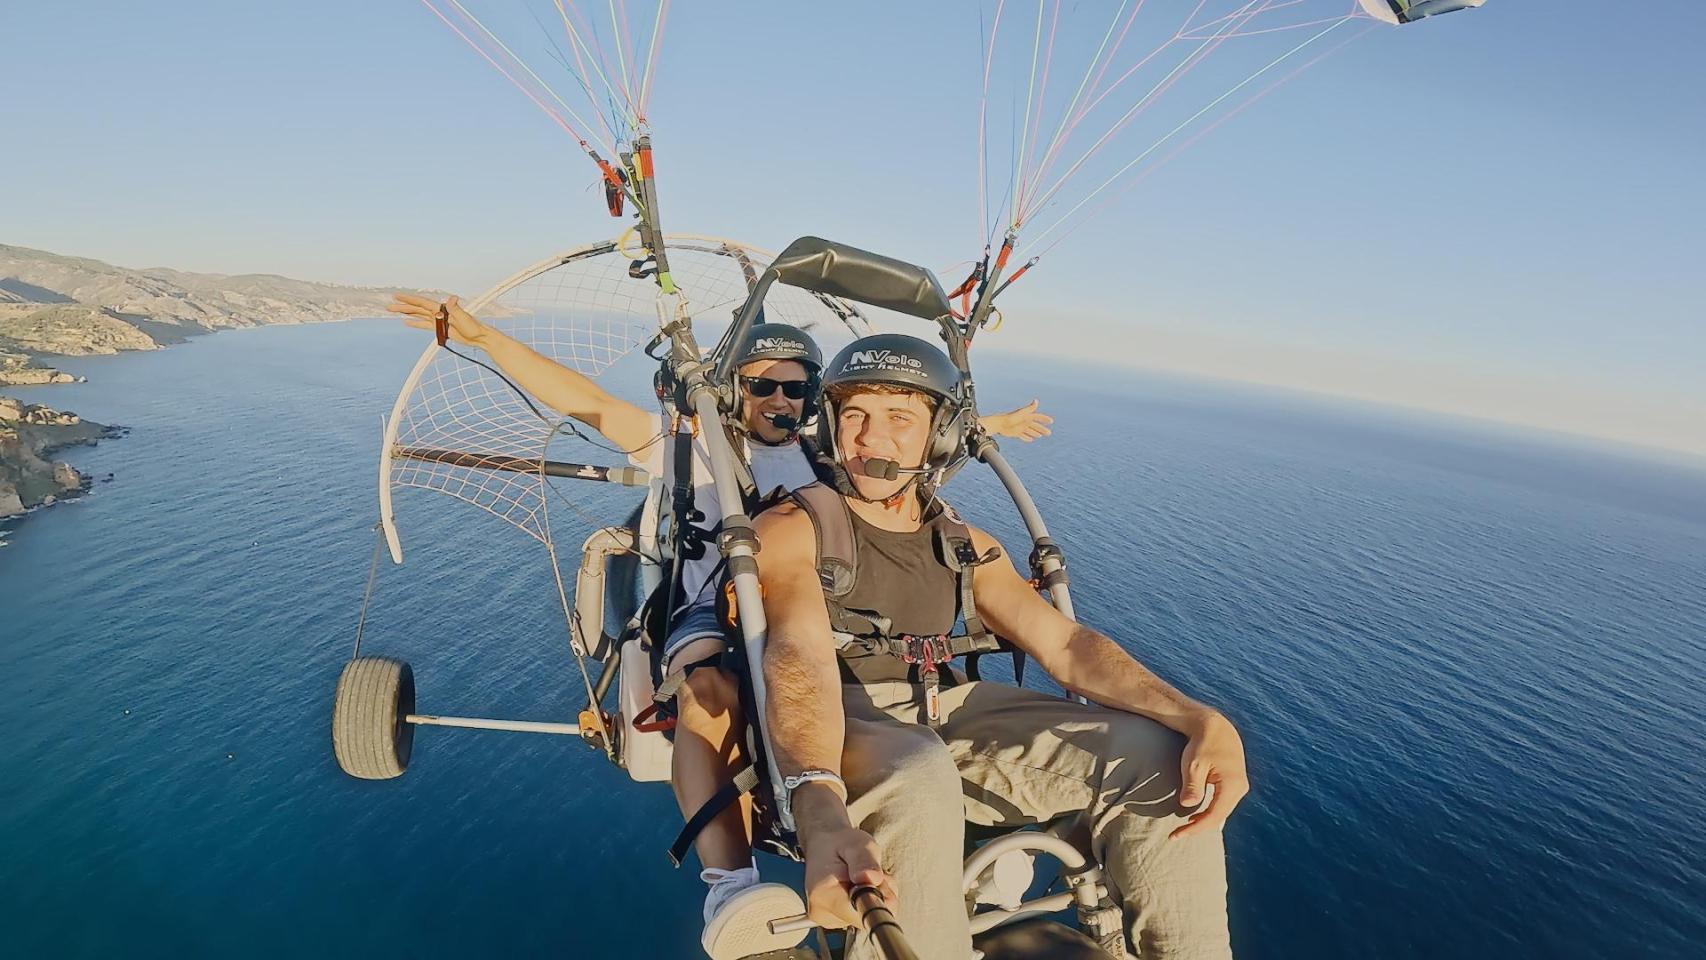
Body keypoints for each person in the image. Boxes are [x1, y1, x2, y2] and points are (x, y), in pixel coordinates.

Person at [387, 294, 1055, 958]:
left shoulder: (827, 461)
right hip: (716, 610)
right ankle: (732, 886)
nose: (780, 399)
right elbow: (581, 400)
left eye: (797, 387)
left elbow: (899, 439)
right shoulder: (689, 448)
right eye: (762, 384)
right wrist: (483, 338)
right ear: (733, 391)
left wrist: (987, 422)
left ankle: (958, 841)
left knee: (917, 681)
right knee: (708, 692)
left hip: (819, 611)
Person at [753, 333, 1250, 960]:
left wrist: (1200, 718)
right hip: (844, 715)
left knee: (1159, 755)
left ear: (937, 435)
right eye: (854, 415)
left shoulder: (965, 545)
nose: (870, 439)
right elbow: (798, 656)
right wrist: (819, 804)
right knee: (918, 774)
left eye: (899, 418)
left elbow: (1065, 645)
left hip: (948, 714)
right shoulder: (793, 529)